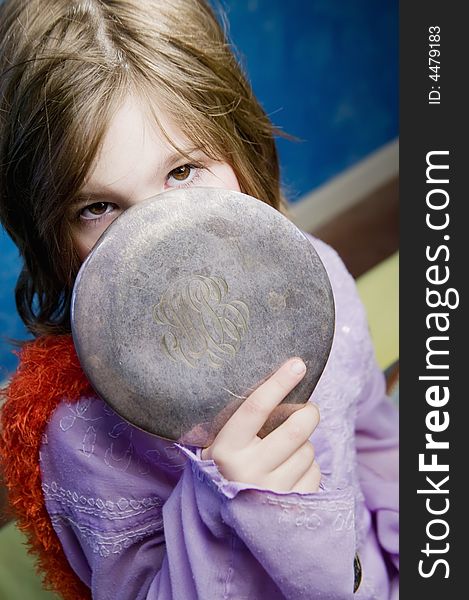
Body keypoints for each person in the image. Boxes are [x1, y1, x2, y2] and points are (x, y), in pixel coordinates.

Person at [0, 1, 399, 598]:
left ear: (241, 151)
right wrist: (226, 496)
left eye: (182, 172)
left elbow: (376, 439)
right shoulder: (83, 436)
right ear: (50, 238)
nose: (159, 243)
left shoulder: (325, 289)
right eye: (98, 207)